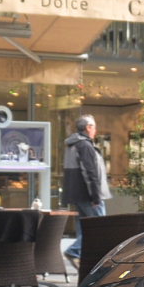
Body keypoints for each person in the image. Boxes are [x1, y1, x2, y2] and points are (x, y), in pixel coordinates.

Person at [61, 115, 110, 269]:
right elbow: (90, 173)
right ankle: (75, 252)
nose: (95, 130)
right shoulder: (85, 145)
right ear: (88, 127)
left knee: (84, 230)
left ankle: (85, 263)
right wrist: (95, 196)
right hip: (89, 195)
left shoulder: (72, 145)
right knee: (98, 229)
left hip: (77, 195)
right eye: (94, 127)